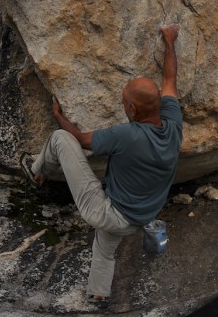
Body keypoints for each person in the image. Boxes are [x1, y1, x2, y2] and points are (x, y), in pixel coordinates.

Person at [20, 23, 182, 304]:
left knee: (60, 138)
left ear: (131, 109)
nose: (123, 105)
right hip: (139, 218)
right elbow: (170, 79)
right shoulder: (173, 124)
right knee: (105, 247)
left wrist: (58, 115)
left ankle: (36, 173)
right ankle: (98, 295)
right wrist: (170, 41)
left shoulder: (126, 135)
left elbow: (81, 140)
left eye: (123, 102)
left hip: (108, 211)